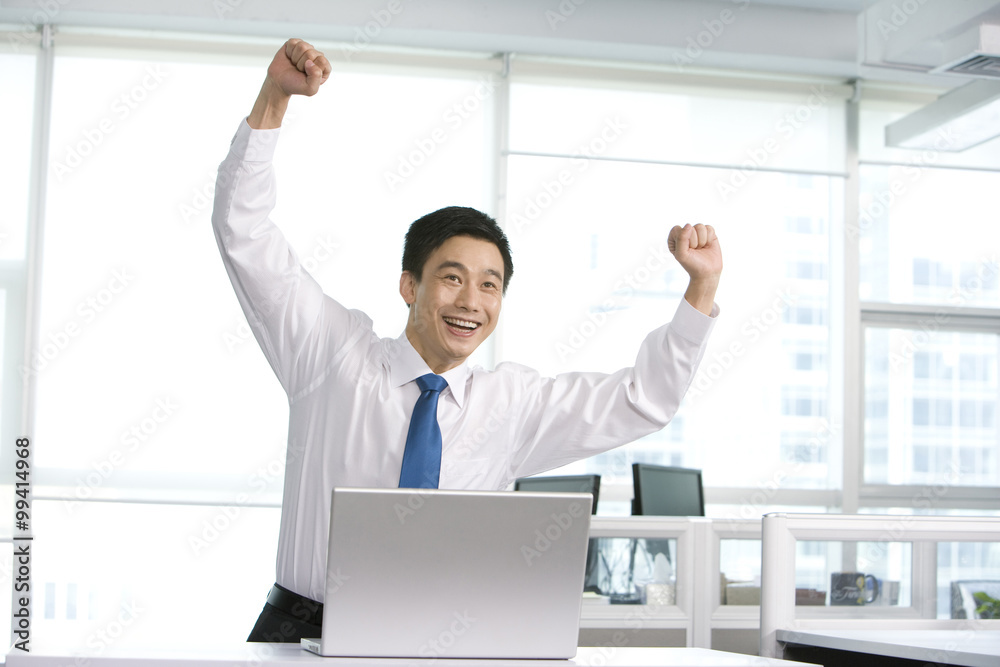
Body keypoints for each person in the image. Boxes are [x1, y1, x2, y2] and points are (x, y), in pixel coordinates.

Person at [212, 38, 722, 643]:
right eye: (452, 278)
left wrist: (701, 288)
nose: (471, 302)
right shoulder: (331, 353)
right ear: (410, 285)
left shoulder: (512, 404)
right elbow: (244, 230)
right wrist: (275, 98)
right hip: (302, 631)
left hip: (441, 638)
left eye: (490, 285)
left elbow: (644, 399)